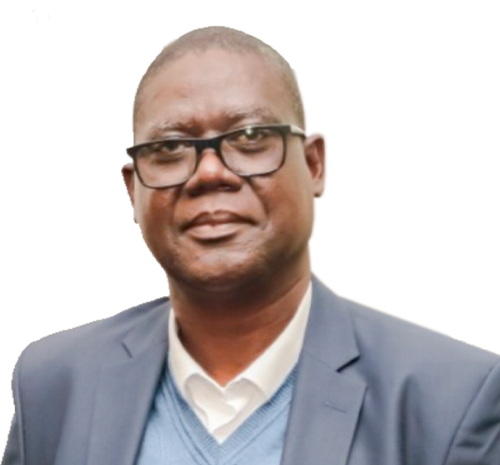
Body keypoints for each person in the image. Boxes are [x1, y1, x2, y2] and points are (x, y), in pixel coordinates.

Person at [2, 26, 500, 465]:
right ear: (133, 191)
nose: (210, 172)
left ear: (313, 165)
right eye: (170, 147)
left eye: (251, 136)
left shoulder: (451, 402)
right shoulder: (54, 385)